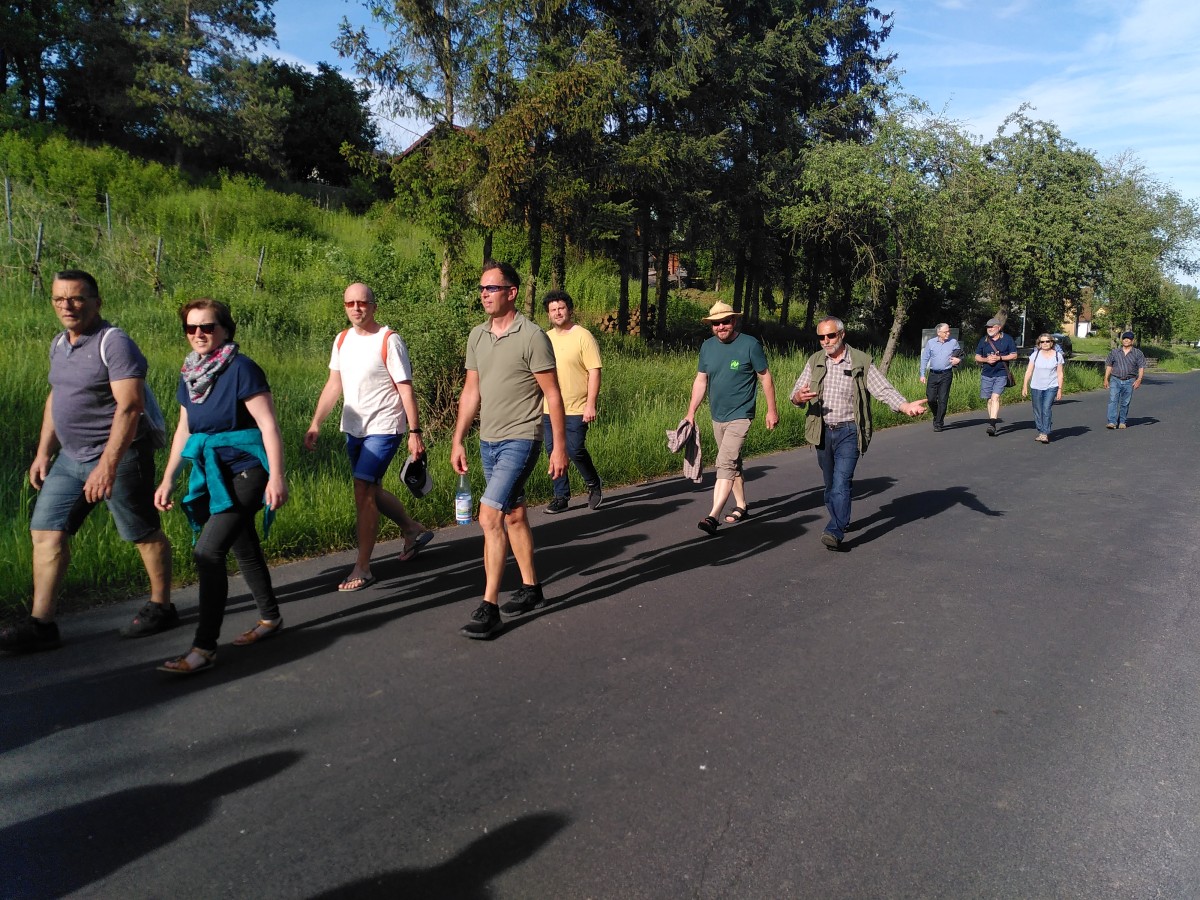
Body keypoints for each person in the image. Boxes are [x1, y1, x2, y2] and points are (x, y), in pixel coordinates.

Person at [1, 270, 175, 654]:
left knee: (142, 532)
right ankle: (41, 623)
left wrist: (107, 466)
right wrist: (43, 451)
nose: (67, 305)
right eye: (59, 299)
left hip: (120, 455)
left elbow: (131, 407)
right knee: (46, 532)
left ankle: (162, 605)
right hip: (69, 458)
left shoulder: (114, 344)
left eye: (77, 298)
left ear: (97, 302)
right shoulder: (59, 344)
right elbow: (56, 398)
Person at [154, 299, 287, 675]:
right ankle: (271, 618)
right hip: (214, 471)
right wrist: (168, 479)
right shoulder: (189, 373)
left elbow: (268, 426)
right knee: (243, 544)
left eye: (208, 327)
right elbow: (185, 430)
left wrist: (276, 476)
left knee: (208, 552)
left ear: (225, 330)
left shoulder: (242, 369)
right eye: (191, 328)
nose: (199, 334)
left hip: (248, 469)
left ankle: (203, 648)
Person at [451, 261, 568, 638]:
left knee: (489, 517)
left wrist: (559, 447)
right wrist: (458, 438)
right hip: (489, 440)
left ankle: (489, 608)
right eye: (482, 288)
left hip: (523, 437)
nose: (484, 294)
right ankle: (532, 588)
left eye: (492, 288)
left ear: (512, 292)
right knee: (514, 514)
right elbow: (472, 391)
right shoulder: (477, 336)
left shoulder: (532, 336)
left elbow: (553, 393)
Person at [305, 283, 432, 591]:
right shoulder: (342, 339)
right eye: (350, 303)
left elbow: (405, 388)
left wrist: (415, 433)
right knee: (369, 489)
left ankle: (363, 567)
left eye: (362, 303)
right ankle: (412, 529)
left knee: (362, 490)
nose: (356, 308)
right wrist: (316, 423)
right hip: (354, 427)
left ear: (373, 306)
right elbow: (334, 383)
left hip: (385, 427)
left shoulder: (389, 340)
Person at [790, 316, 927, 550]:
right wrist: (798, 398)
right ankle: (840, 518)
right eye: (821, 337)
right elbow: (796, 394)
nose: (825, 341)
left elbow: (882, 389)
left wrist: (905, 406)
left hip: (849, 431)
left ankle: (835, 528)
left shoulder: (860, 361)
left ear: (842, 335)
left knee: (842, 481)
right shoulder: (814, 361)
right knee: (830, 484)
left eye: (830, 335)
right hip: (822, 431)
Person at [685, 301, 779, 534]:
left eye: (725, 321)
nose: (721, 326)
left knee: (724, 463)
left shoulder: (749, 344)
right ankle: (742, 505)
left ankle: (712, 515)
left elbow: (765, 377)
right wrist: (691, 412)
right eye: (716, 323)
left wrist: (771, 409)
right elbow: (701, 380)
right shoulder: (707, 347)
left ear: (734, 321)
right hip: (718, 415)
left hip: (741, 414)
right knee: (733, 463)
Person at [541, 289, 604, 514]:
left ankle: (593, 484)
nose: (558, 313)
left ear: (569, 310)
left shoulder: (583, 336)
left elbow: (594, 371)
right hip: (549, 408)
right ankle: (561, 496)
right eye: (553, 310)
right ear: (548, 314)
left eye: (561, 308)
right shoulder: (545, 338)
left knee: (575, 449)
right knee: (553, 451)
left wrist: (591, 404)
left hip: (577, 407)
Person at [974, 317, 1018, 436]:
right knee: (989, 400)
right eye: (988, 327)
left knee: (995, 397)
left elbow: (1014, 355)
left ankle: (992, 424)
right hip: (987, 374)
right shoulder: (984, 340)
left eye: (992, 327)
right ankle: (992, 421)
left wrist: (1000, 358)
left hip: (1001, 373)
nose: (989, 329)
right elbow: (977, 357)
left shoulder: (1007, 339)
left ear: (998, 328)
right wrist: (986, 360)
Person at [1021, 333, 1065, 443]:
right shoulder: (1035, 355)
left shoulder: (1057, 355)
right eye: (1042, 342)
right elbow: (1029, 371)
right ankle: (1041, 431)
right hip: (1036, 386)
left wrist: (1060, 389)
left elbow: (1060, 374)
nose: (1045, 344)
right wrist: (1024, 386)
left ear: (1051, 343)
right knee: (1037, 410)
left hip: (1051, 386)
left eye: (1047, 341)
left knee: (1046, 408)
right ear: (1039, 343)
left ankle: (1045, 433)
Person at [918, 323, 963, 431]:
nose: (948, 333)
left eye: (948, 331)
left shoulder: (953, 342)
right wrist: (922, 374)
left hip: (946, 374)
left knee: (943, 399)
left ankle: (938, 423)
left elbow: (960, 354)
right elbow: (924, 359)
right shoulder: (931, 343)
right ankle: (937, 414)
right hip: (933, 374)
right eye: (946, 332)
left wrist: (959, 360)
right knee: (931, 399)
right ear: (939, 333)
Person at [1104, 331, 1147, 429]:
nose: (1126, 340)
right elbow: (1109, 365)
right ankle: (1112, 422)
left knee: (1125, 402)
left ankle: (1122, 421)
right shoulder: (1114, 352)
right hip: (1115, 379)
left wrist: (1139, 379)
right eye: (1124, 338)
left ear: (1133, 340)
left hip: (1129, 380)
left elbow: (1141, 367)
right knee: (1113, 400)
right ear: (1122, 340)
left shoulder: (1138, 353)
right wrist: (1106, 378)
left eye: (1129, 338)